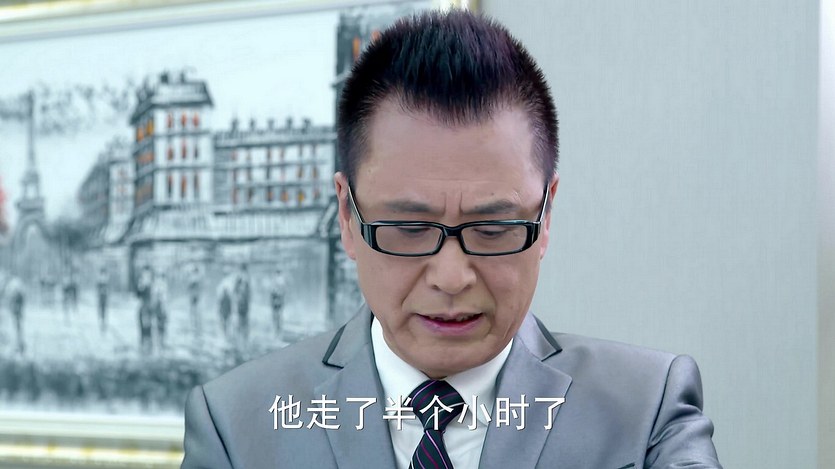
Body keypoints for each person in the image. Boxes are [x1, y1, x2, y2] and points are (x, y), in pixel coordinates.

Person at [182, 10, 722, 469]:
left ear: (545, 216)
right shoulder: (237, 425)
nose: (451, 277)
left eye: (494, 228)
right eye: (408, 228)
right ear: (347, 216)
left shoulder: (645, 411)